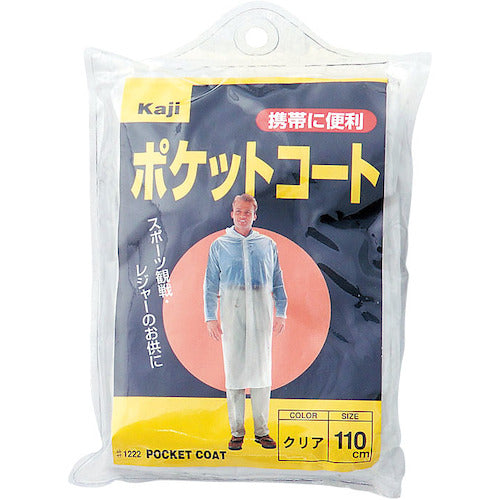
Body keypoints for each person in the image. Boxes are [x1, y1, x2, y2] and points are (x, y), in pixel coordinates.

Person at [203, 193, 287, 451]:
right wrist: (210, 316)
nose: (242, 216)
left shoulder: (267, 244)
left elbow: (277, 279)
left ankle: (262, 430)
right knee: (235, 367)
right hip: (232, 306)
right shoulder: (219, 245)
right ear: (232, 214)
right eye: (238, 211)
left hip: (261, 305)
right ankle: (237, 431)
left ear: (255, 215)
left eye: (247, 212)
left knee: (262, 367)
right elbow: (210, 284)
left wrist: (281, 311)